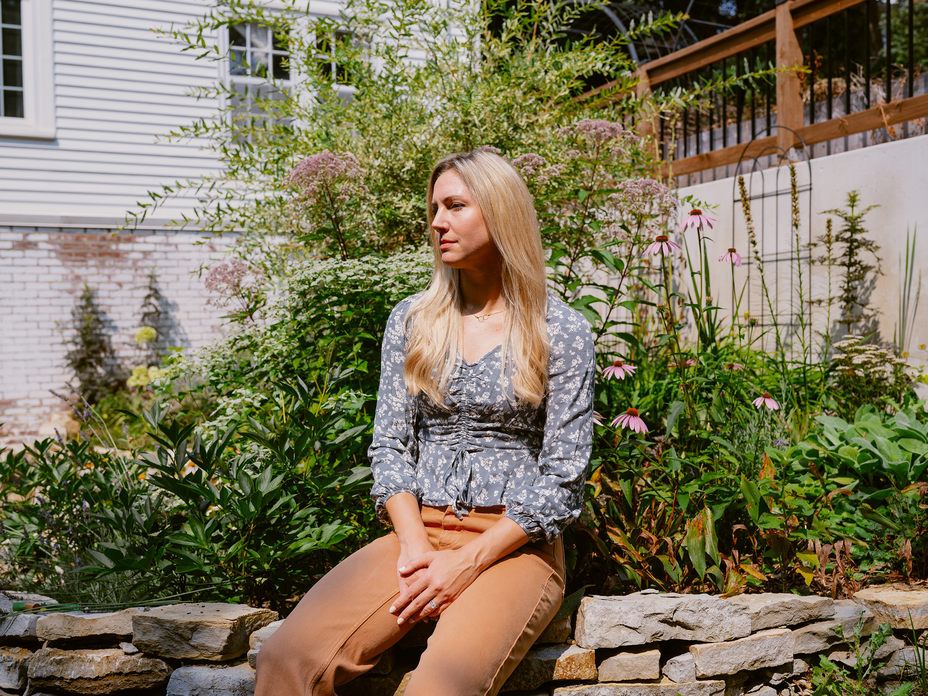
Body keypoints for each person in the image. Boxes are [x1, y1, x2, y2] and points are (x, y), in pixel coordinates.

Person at [255, 149, 595, 696]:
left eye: (455, 205)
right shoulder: (414, 320)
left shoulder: (561, 329)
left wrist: (466, 562)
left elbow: (563, 479)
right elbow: (389, 446)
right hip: (416, 532)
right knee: (286, 658)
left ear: (501, 211)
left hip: (515, 547)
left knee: (440, 688)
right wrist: (414, 544)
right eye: (434, 208)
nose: (437, 222)